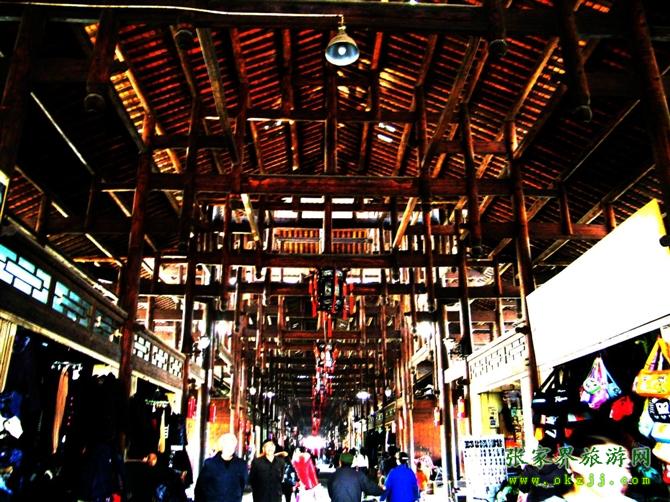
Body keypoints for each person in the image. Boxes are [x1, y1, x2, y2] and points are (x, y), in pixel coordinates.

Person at [194, 432, 248, 502]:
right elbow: (200, 487)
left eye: (232, 445)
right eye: (227, 444)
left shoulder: (241, 464)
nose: (230, 447)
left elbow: (242, 484)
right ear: (222, 445)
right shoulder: (210, 464)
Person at [249, 438, 285, 502]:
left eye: (271, 445)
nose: (270, 448)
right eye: (267, 446)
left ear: (274, 447)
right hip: (261, 497)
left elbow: (281, 478)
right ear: (264, 449)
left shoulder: (281, 462)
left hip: (276, 497)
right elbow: (252, 480)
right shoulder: (257, 462)